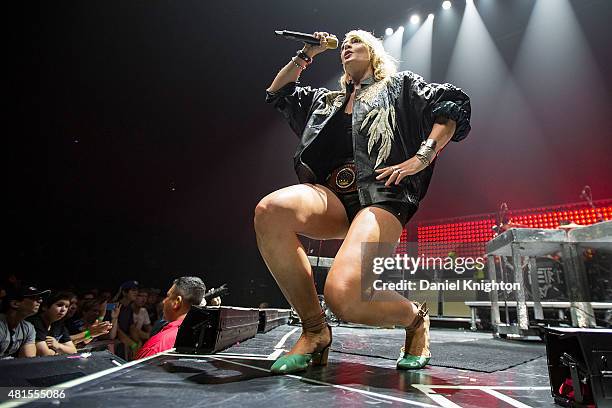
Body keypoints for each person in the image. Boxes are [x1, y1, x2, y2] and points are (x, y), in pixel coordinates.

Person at [256, 30, 471, 374]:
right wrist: (307, 52)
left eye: (355, 42)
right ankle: (314, 331)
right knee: (270, 211)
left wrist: (422, 156)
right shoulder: (326, 103)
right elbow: (279, 92)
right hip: (331, 196)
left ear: (372, 53)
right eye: (343, 44)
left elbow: (452, 108)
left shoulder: (400, 87)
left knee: (345, 298)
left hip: (382, 197)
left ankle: (415, 319)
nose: (346, 47)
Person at [135, 277, 206, 359]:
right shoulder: (203, 336)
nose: (164, 301)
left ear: (177, 302)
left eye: (168, 296)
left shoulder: (156, 346)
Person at [0, 285, 50, 358]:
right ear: (15, 304)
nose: (40, 301)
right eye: (33, 298)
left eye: (40, 298)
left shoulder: (28, 328)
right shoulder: (1, 324)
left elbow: (27, 361)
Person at [28, 291, 77, 356]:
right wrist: (89, 333)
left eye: (66, 306)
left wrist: (58, 346)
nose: (63, 309)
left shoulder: (59, 324)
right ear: (45, 307)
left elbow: (73, 351)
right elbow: (45, 354)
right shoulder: (35, 322)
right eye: (59, 305)